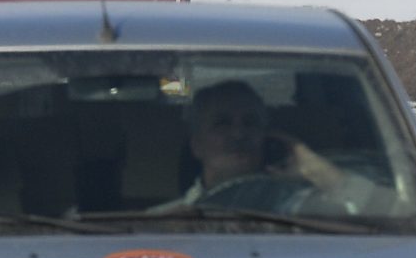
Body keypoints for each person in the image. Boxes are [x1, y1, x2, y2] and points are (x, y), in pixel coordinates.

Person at [161, 80, 385, 213]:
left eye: (250, 123)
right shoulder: (161, 223)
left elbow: (393, 214)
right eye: (222, 124)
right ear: (196, 145)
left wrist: (322, 173)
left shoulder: (303, 209)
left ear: (266, 137)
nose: (239, 134)